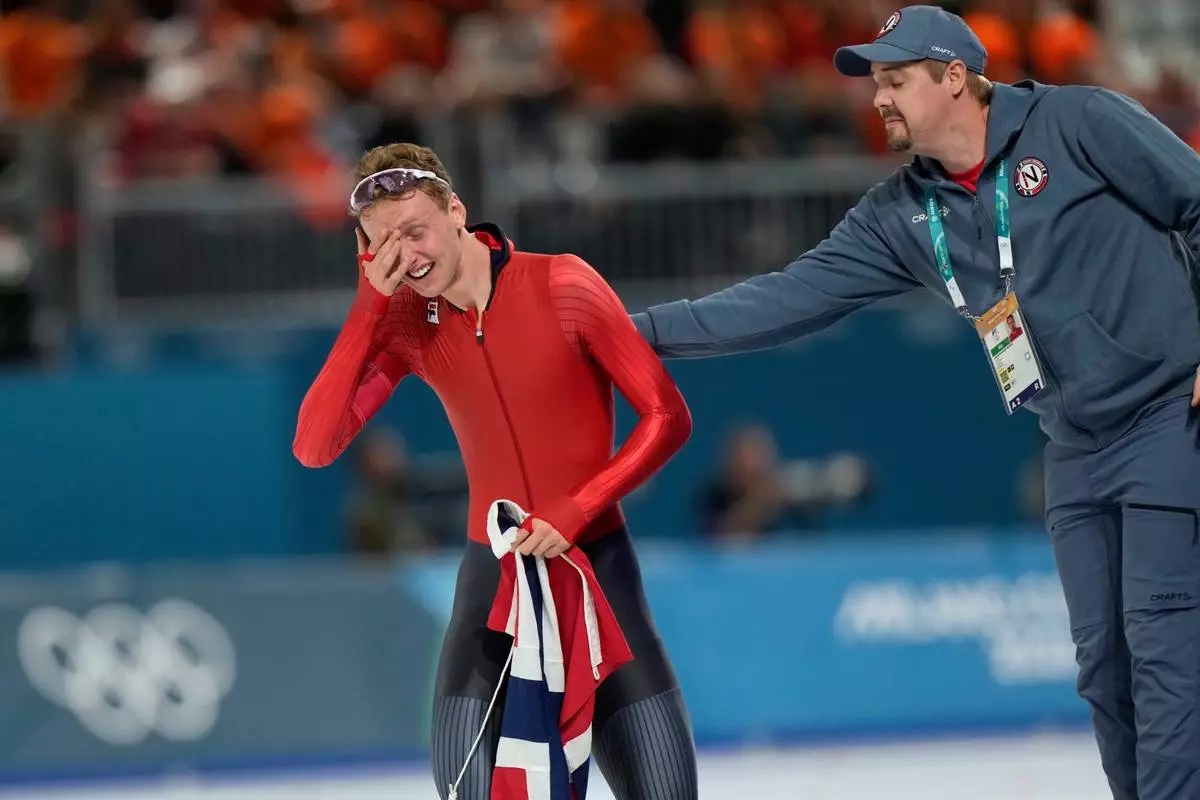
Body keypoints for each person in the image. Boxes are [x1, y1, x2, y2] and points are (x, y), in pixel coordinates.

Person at [629, 6, 1200, 800]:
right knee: (1106, 668)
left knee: (1166, 647)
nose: (878, 99)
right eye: (875, 84)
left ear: (955, 77)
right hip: (1072, 446)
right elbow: (783, 298)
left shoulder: (1078, 121)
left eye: (895, 80)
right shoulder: (904, 213)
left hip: (1169, 417)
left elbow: (1196, 203)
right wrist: (634, 334)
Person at [293, 143, 698, 800]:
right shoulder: (404, 324)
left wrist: (579, 507)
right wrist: (371, 305)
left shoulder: (563, 284)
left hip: (597, 577)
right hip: (494, 590)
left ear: (457, 212)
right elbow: (315, 444)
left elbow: (667, 417)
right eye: (381, 246)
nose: (405, 256)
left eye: (414, 231)